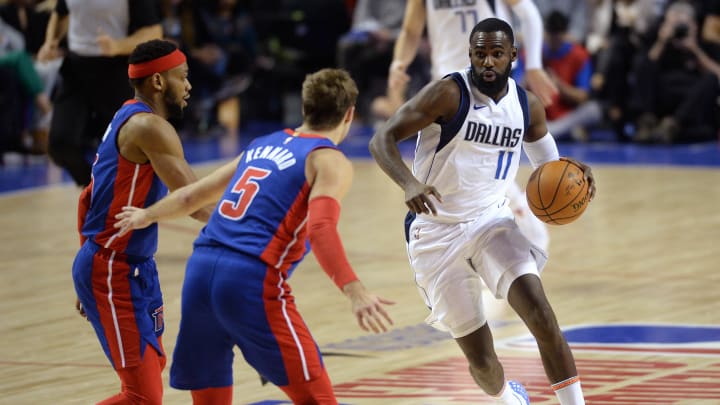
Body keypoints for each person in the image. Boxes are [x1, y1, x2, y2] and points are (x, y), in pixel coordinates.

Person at [114, 68, 395, 404]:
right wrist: (355, 291)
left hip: (201, 270)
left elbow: (191, 197)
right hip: (250, 279)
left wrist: (148, 214)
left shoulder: (262, 144)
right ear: (349, 114)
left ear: (304, 108)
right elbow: (320, 229)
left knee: (210, 393)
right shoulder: (328, 160)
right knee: (316, 396)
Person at [369, 18, 595, 404]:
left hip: (492, 223)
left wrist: (574, 177)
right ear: (471, 55)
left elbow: (550, 170)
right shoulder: (447, 94)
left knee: (541, 314)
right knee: (483, 360)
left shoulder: (527, 107)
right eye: (480, 54)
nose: (487, 61)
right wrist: (409, 183)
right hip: (435, 234)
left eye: (496, 53)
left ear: (513, 57)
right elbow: (382, 138)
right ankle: (509, 396)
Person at [72, 39, 213, 404]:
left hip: (129, 267)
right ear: (158, 82)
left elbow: (87, 198)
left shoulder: (127, 114)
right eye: (182, 77)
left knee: (149, 379)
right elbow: (193, 202)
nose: (189, 86)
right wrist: (256, 228)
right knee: (142, 397)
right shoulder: (148, 127)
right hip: (113, 269)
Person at [373, 0, 556, 251]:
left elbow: (528, 12)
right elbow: (411, 30)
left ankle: (520, 246)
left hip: (488, 84)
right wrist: (398, 63)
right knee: (452, 180)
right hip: (447, 88)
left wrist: (534, 65)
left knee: (488, 179)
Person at [37, 0, 162, 187]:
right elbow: (60, 12)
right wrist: (50, 41)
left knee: (127, 150)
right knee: (60, 144)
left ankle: (144, 210)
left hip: (115, 71)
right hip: (76, 70)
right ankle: (95, 190)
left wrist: (117, 46)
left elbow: (154, 33)